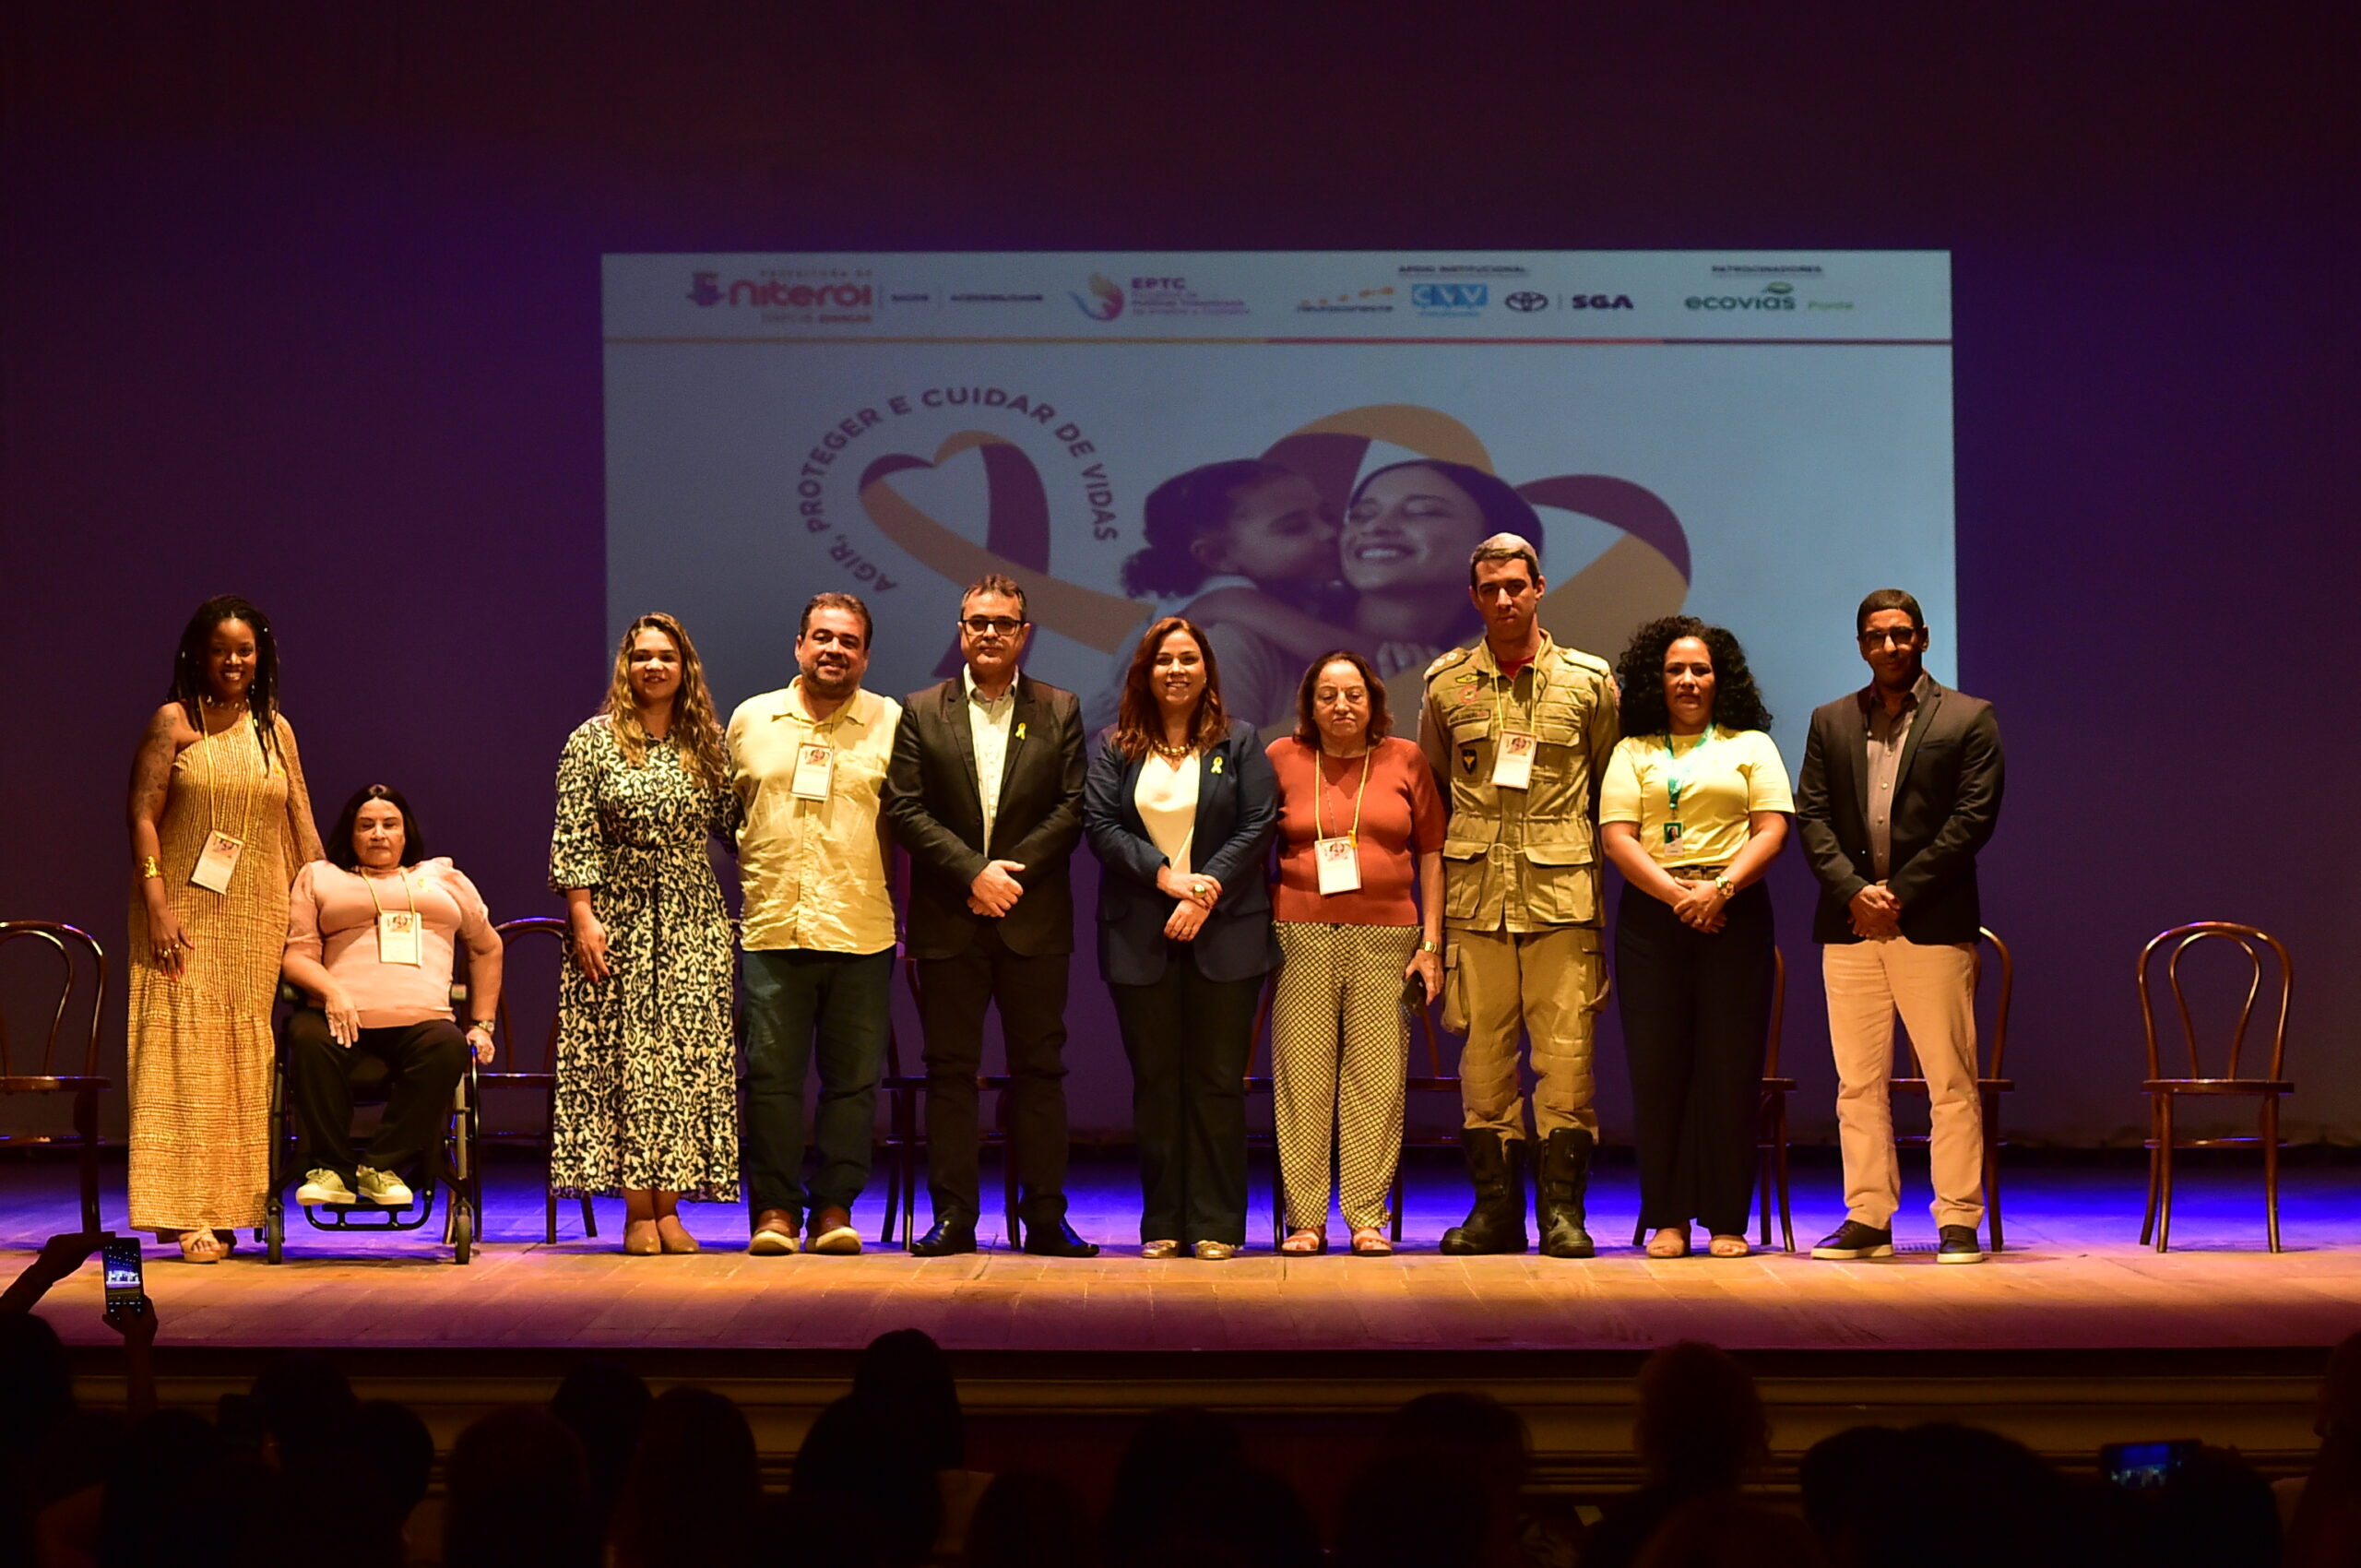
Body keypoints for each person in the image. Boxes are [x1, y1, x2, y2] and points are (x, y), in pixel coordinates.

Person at [884, 575, 1097, 1257]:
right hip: (950, 916)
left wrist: (1006, 876)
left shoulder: (1060, 708)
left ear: (1024, 634)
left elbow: (1073, 808)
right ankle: (954, 1219)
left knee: (1041, 1071)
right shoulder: (921, 710)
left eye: (1005, 623)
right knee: (950, 1073)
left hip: (1033, 920)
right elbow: (905, 807)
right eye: (979, 622)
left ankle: (1043, 1219)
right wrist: (973, 872)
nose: (991, 634)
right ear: (961, 631)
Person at [1418, 534, 1619, 1258]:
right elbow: (1438, 794)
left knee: (1566, 1061)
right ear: (1474, 597)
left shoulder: (1589, 682)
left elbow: (1606, 785)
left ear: (1539, 587)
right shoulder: (1445, 684)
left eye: (1516, 585)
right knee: (1483, 1063)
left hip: (1563, 897)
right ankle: (1495, 1212)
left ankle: (1563, 1214)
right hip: (1476, 903)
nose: (1504, 599)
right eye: (1489, 588)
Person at [1796, 589, 2005, 1265]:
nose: (1890, 646)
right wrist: (1857, 894)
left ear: (1923, 638)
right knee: (1857, 1083)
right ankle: (1869, 1217)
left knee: (1950, 1080)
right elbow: (1814, 817)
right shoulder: (1829, 721)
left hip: (1933, 925)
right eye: (1877, 636)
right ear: (1861, 644)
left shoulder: (1970, 718)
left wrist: (1899, 894)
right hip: (1850, 925)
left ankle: (1958, 1221)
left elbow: (1971, 821)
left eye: (1902, 634)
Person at [125, 594, 325, 1262]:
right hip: (181, 906)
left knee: (242, 1060)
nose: (233, 661)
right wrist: (155, 899)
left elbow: (300, 827)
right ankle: (186, 1212)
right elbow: (143, 813)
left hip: (254, 916)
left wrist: (328, 907)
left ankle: (232, 1204)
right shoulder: (174, 723)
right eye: (221, 650)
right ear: (198, 654)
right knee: (183, 1054)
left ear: (259, 656)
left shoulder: (275, 730)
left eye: (245, 650)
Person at [1084, 616, 1279, 1260]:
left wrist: (1204, 890)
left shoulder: (1241, 741)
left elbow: (1257, 824)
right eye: (1164, 659)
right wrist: (1168, 880)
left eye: (1189, 659)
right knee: (1158, 1082)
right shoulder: (1115, 746)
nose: (1176, 670)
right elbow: (1103, 828)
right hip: (1141, 934)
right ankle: (1164, 1220)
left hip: (1225, 931)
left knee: (1218, 1082)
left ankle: (1219, 1223)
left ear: (1207, 671)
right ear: (1145, 670)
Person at [550, 612, 741, 1256]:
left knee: (681, 1065)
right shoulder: (592, 741)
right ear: (625, 668)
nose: (653, 666)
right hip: (618, 915)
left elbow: (739, 829)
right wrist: (583, 916)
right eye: (641, 657)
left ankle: (671, 1209)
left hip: (692, 916)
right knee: (628, 1064)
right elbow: (574, 833)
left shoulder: (708, 743)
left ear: (686, 668)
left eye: (666, 656)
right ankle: (637, 1211)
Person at [1600, 619, 1792, 1259]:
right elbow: (1617, 838)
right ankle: (1669, 1219)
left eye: (1701, 669)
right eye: (1676, 670)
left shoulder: (1752, 745)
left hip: (1733, 912)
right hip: (1654, 918)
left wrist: (1720, 891)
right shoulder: (1634, 750)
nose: (1688, 680)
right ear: (1658, 679)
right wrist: (1680, 895)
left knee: (1729, 1071)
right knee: (1658, 1073)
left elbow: (1770, 829)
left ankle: (1727, 1220)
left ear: (1721, 679)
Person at [730, 591, 904, 1256]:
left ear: (865, 654)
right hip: (772, 927)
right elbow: (726, 815)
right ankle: (774, 1209)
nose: (834, 650)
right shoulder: (752, 719)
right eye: (822, 638)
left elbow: (908, 823)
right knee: (770, 1079)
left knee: (852, 1082)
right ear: (799, 646)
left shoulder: (890, 722)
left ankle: (834, 1209)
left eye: (849, 641)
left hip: (861, 928)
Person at [1264, 650, 1444, 1256]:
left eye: (1354, 694)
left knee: (1376, 1080)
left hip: (1388, 940)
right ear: (1309, 706)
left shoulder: (1405, 759)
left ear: (1372, 701)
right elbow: (1254, 848)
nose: (1342, 705)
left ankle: (1366, 1216)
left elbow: (1432, 854)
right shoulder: (1280, 760)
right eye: (1327, 695)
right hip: (1302, 937)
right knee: (1303, 1080)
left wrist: (1431, 944)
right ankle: (1307, 1220)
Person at [281, 784, 501, 1208]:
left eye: (389, 824)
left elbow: (487, 946)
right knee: (305, 1037)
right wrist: (333, 990)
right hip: (340, 1023)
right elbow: (297, 957)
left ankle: (383, 1167)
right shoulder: (321, 876)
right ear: (351, 834)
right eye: (366, 826)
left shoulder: (443, 878)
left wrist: (482, 1026)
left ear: (406, 833)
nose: (378, 834)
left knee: (447, 1044)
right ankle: (330, 1167)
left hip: (421, 1025)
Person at [1097, 459, 1356, 730]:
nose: (1329, 532)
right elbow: (1342, 655)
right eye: (1294, 528)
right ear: (1217, 556)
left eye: (1327, 516)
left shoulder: (1293, 583)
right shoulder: (1227, 598)